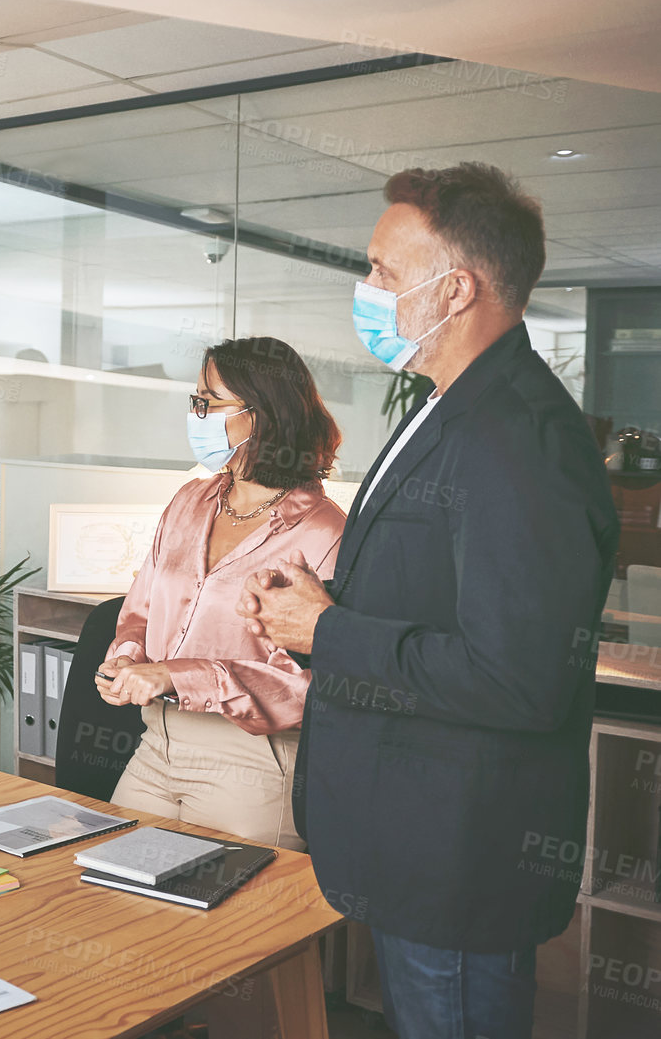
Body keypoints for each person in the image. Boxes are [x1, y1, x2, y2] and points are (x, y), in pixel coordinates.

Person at [239, 164, 619, 1039]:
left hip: (462, 864)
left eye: (381, 270)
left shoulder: (518, 438)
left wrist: (331, 630)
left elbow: (519, 678)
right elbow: (433, 602)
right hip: (412, 844)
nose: (366, 289)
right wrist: (316, 614)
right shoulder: (451, 406)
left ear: (457, 288)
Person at [97, 336, 345, 852]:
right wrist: (124, 662)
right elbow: (139, 611)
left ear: (261, 415)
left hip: (252, 761)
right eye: (196, 401)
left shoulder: (324, 533)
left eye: (207, 402)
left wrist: (175, 674)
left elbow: (312, 683)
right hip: (156, 744)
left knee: (223, 930)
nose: (197, 414)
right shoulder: (190, 500)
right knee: (113, 903)